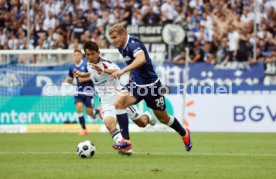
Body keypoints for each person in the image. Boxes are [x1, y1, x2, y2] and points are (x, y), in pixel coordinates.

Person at [108, 23, 192, 152]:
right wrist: (131, 76)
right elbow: (132, 63)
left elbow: (141, 60)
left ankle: (184, 133)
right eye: (112, 38)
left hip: (151, 86)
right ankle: (126, 141)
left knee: (164, 118)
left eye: (115, 38)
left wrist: (123, 71)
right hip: (136, 84)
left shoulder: (133, 44)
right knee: (119, 103)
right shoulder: (122, 47)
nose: (113, 41)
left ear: (123, 34)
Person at [74, 41, 156, 155]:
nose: (90, 57)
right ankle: (124, 146)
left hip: (120, 99)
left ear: (98, 53)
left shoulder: (105, 63)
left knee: (141, 123)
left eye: (92, 54)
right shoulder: (89, 65)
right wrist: (82, 75)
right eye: (87, 54)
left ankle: (146, 116)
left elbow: (118, 71)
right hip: (106, 102)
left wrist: (102, 69)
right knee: (109, 124)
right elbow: (93, 74)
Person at [64, 49, 98, 135]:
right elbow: (70, 78)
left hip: (89, 91)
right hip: (78, 91)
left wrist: (84, 79)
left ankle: (96, 112)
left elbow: (94, 76)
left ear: (81, 56)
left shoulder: (87, 64)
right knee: (78, 108)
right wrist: (68, 81)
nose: (76, 56)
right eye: (74, 55)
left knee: (89, 113)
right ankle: (84, 129)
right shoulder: (72, 67)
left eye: (78, 55)